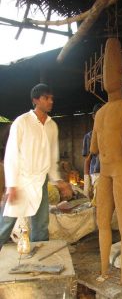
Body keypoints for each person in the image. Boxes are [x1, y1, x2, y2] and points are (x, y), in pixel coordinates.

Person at [90, 38, 122, 284]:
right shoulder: (102, 113)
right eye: (105, 71)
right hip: (106, 171)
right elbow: (94, 148)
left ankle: (121, 276)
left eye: (111, 69)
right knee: (103, 223)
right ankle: (104, 270)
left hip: (121, 170)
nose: (107, 76)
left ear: (121, 73)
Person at [0, 83, 72, 248]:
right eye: (46, 98)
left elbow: (52, 158)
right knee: (6, 222)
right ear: (36, 100)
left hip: (40, 180)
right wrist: (11, 185)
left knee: (41, 224)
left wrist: (57, 180)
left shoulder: (52, 126)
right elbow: (11, 154)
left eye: (51, 98)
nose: (50, 101)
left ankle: (39, 258)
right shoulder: (22, 122)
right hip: (20, 179)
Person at [82, 103, 102, 201]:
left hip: (112, 173)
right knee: (99, 201)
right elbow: (87, 160)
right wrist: (87, 182)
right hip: (97, 173)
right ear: (94, 116)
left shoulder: (112, 135)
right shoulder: (89, 137)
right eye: (99, 115)